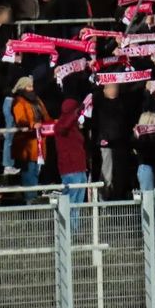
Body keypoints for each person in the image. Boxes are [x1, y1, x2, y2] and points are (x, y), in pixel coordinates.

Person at [10, 76, 50, 202]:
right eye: (29, 86)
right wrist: (32, 124)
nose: (31, 89)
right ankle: (30, 199)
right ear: (22, 88)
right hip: (26, 143)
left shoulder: (37, 99)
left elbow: (45, 115)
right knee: (29, 171)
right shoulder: (19, 101)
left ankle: (33, 196)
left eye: (32, 86)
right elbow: (21, 119)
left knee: (36, 170)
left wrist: (52, 123)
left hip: (39, 141)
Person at [54, 97, 88, 234]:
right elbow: (65, 125)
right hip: (70, 169)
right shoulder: (61, 125)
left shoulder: (73, 127)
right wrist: (75, 114)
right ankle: (66, 231)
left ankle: (73, 231)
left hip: (80, 168)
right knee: (70, 201)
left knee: (77, 203)